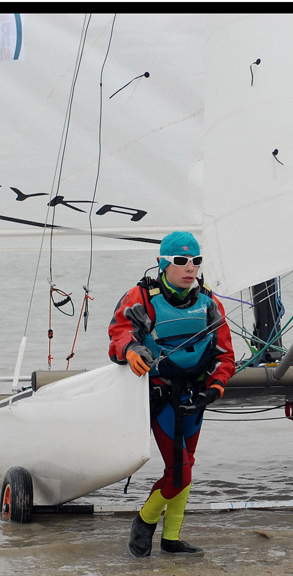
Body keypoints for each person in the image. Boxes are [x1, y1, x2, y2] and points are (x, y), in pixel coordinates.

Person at [109, 231, 236, 557]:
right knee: (180, 472)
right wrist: (132, 350)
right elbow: (119, 334)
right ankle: (144, 521)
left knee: (185, 466)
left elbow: (225, 356)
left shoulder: (210, 302)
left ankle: (171, 538)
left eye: (196, 261)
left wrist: (215, 387)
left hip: (195, 397)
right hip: (159, 395)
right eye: (181, 261)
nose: (189, 267)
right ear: (163, 263)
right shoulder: (141, 298)